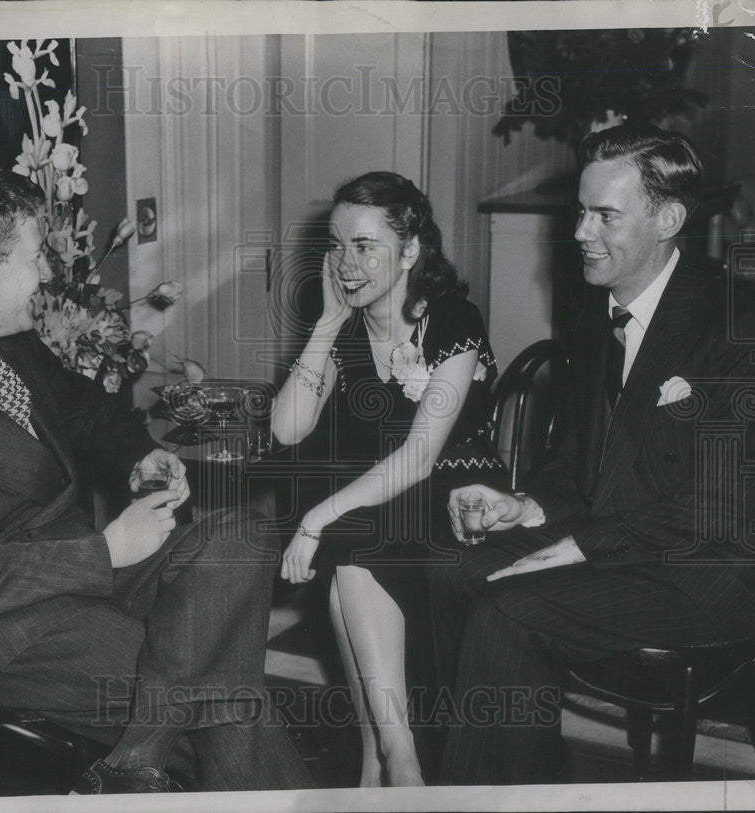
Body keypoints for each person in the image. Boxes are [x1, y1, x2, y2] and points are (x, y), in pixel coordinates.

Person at [0, 160, 313, 795]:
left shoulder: (5, 338)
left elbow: (86, 412)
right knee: (227, 702)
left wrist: (137, 454)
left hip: (85, 580)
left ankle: (131, 762)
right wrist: (106, 550)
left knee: (244, 538)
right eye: (34, 258)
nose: (46, 275)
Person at [430, 124, 755, 784]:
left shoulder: (739, 325)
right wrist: (524, 503)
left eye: (605, 215)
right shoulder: (599, 312)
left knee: (507, 610)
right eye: (579, 211)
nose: (579, 233)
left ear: (669, 218)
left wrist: (580, 545)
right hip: (622, 535)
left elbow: (714, 507)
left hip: (707, 567)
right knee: (451, 568)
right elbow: (584, 457)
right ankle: (513, 780)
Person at [271, 171, 506, 786]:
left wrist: (315, 518)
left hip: (461, 497)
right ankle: (396, 759)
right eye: (335, 243)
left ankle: (382, 760)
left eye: (365, 245)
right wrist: (324, 327)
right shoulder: (345, 329)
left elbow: (421, 456)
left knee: (347, 544)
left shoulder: (452, 318)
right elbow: (288, 427)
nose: (346, 263)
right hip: (378, 507)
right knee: (353, 548)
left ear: (410, 250)